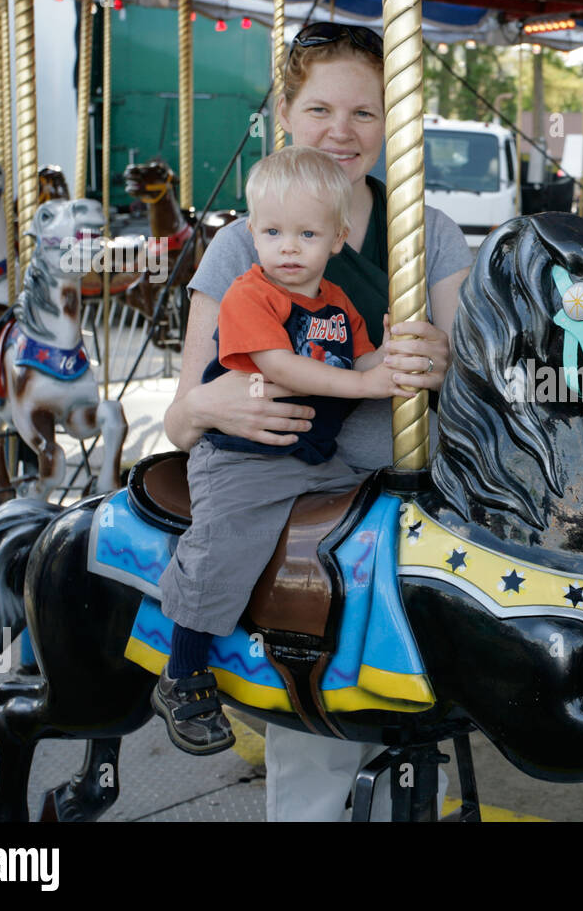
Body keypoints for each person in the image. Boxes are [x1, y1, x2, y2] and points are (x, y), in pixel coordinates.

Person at [163, 23, 472, 815]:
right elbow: (178, 421)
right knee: (318, 721)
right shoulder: (243, 245)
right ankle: (189, 663)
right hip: (293, 494)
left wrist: (443, 362)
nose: (342, 132)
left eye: (365, 114)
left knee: (424, 702)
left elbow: (475, 379)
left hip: (409, 498)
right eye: (321, 110)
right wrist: (204, 401)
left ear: (391, 123)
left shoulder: (427, 234)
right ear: (287, 121)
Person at [152, 146, 403, 754]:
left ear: (336, 238)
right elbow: (279, 367)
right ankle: (183, 673)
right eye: (271, 231)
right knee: (226, 544)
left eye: (307, 233)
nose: (287, 247)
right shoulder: (250, 293)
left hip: (314, 460)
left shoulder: (337, 306)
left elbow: (359, 357)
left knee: (381, 519)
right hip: (243, 459)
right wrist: (368, 382)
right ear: (251, 232)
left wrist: (389, 354)